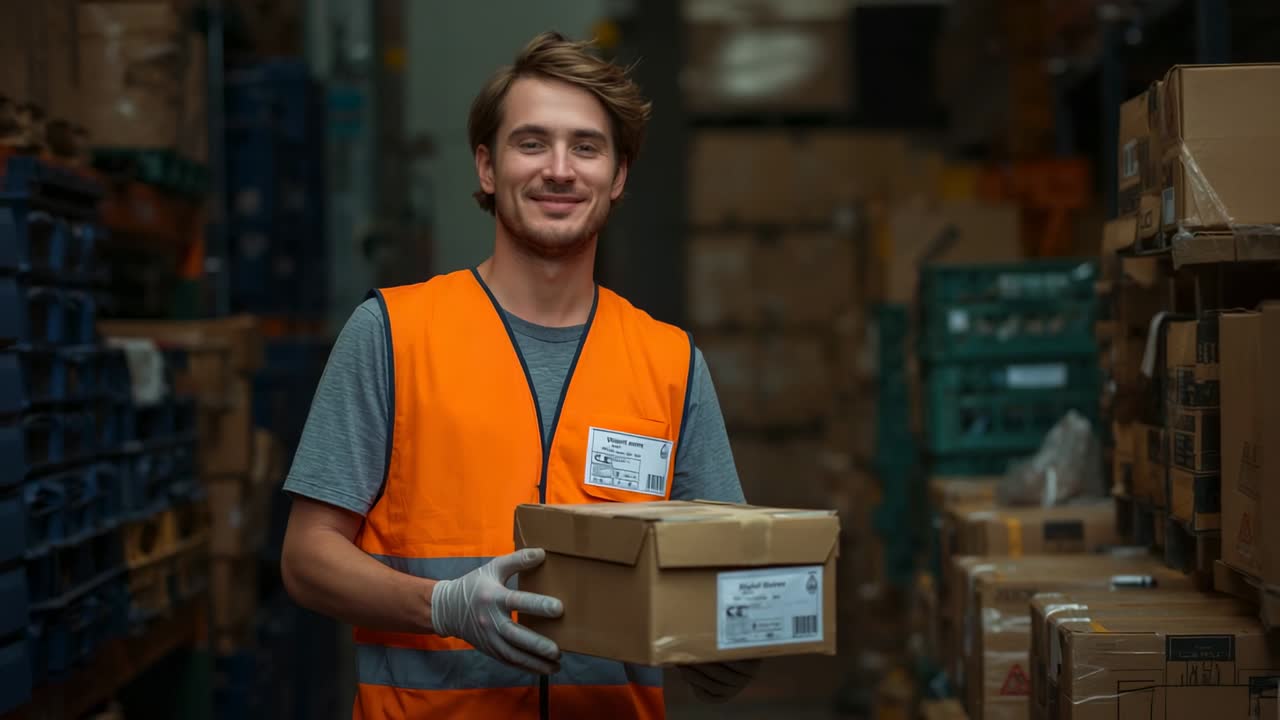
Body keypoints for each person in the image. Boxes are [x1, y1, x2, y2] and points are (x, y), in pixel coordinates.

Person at [280, 30, 759, 719]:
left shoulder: (669, 362)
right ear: (486, 166)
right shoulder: (392, 335)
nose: (559, 170)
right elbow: (306, 558)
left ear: (618, 176)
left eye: (586, 147)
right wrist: (440, 605)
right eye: (531, 142)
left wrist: (733, 646)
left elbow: (722, 576)